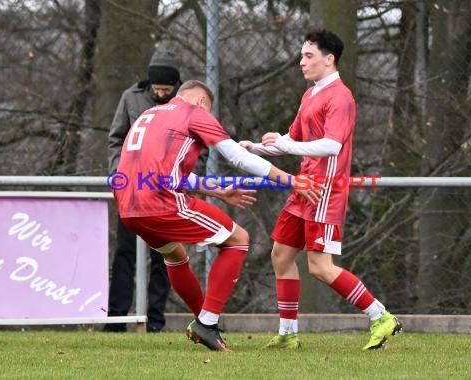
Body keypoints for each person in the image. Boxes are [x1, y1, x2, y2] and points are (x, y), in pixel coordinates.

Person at [112, 80, 321, 351]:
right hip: (160, 201)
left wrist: (219, 191)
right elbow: (239, 157)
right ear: (201, 103)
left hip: (128, 205)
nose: (208, 117)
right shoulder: (194, 113)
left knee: (174, 254)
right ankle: (207, 324)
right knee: (238, 239)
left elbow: (167, 170)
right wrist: (290, 180)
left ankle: (205, 322)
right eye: (208, 111)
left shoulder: (150, 114)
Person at [240, 29, 402, 350]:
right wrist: (255, 148)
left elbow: (330, 146)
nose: (301, 62)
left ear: (329, 60)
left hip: (326, 192)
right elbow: (292, 142)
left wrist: (287, 144)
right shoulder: (311, 94)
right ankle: (288, 334)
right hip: (304, 188)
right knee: (281, 255)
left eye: (308, 56)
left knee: (320, 268)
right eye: (302, 56)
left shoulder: (341, 97)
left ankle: (381, 316)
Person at [105, 50, 182, 333]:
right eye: (157, 88)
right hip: (132, 192)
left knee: (164, 257)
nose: (161, 93)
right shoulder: (131, 97)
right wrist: (117, 174)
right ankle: (116, 319)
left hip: (165, 194)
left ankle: (156, 321)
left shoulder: (183, 105)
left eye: (167, 89)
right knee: (125, 252)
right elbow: (116, 139)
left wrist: (181, 179)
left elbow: (197, 147)